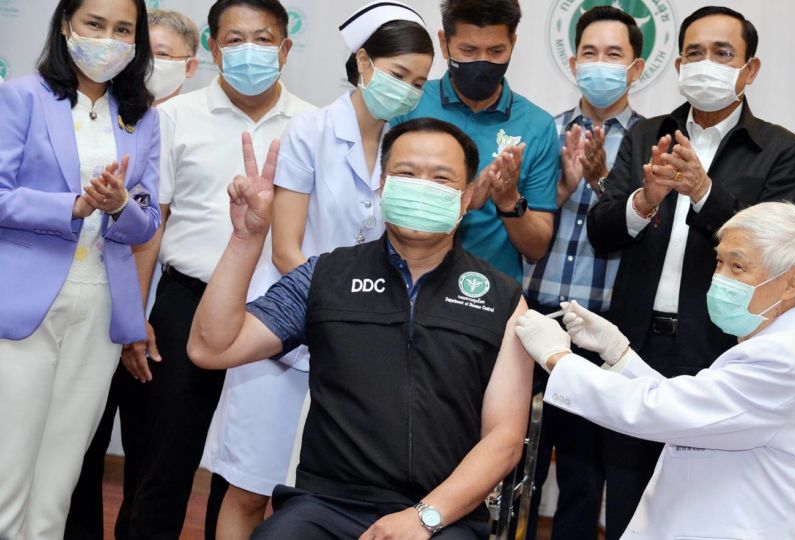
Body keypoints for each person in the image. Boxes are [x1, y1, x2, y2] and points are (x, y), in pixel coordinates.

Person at [185, 118, 532, 539]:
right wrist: (247, 238)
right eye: (406, 174)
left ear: (464, 200)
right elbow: (211, 348)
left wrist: (422, 518)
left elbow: (506, 437)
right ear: (383, 186)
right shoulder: (326, 275)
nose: (422, 186)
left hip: (444, 514)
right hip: (326, 505)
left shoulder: (503, 299)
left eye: (441, 178)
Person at [200, 3, 434, 537]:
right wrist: (341, 313)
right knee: (249, 485)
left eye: (419, 81)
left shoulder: (408, 147)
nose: (407, 89)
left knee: (323, 499)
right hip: (284, 332)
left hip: (359, 345)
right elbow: (285, 248)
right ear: (364, 62)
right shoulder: (308, 132)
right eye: (398, 74)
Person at [585, 6, 795, 536]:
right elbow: (602, 232)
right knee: (629, 504)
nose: (706, 63)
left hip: (719, 351)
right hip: (633, 345)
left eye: (722, 53)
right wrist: (646, 199)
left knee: (702, 508)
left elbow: (777, 253)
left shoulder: (782, 150)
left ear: (750, 70)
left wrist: (704, 192)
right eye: (694, 53)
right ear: (679, 64)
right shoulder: (645, 135)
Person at [515, 202, 795, 539]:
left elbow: (661, 411)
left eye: (738, 267)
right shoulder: (780, 345)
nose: (720, 279)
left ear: (791, 284)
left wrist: (558, 358)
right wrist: (619, 354)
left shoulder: (786, 359)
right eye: (719, 262)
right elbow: (694, 409)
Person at [118, 1, 315, 537]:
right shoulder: (173, 118)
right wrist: (135, 316)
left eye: (263, 39)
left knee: (244, 477)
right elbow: (150, 224)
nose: (248, 51)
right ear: (211, 47)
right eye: (234, 39)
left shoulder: (312, 125)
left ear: (286, 48)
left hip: (272, 315)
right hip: (187, 305)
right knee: (163, 462)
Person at [0, 0, 161, 537]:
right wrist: (72, 205)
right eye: (95, 24)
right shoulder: (21, 96)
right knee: (8, 473)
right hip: (23, 305)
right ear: (66, 24)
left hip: (100, 309)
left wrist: (118, 205)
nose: (107, 38)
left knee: (60, 479)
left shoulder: (142, 115)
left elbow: (146, 222)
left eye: (123, 29)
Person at [64, 9, 201, 539]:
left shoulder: (188, 123)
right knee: (79, 450)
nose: (152, 64)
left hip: (162, 320)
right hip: (94, 307)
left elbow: (157, 227)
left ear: (190, 67)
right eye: (150, 50)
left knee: (152, 460)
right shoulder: (100, 119)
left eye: (167, 56)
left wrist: (141, 317)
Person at [520, 5, 643, 538]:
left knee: (582, 471)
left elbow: (639, 226)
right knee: (514, 454)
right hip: (531, 313)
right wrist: (564, 187)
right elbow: (519, 218)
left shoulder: (649, 142)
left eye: (614, 55)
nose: (600, 64)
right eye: (590, 53)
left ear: (636, 68)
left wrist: (599, 184)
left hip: (600, 324)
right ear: (572, 62)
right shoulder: (543, 132)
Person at [394, 0, 558, 282]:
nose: (482, 62)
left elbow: (536, 248)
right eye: (468, 50)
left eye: (496, 51)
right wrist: (464, 202)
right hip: (405, 283)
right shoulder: (408, 105)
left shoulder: (538, 125)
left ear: (513, 43)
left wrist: (509, 202)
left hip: (489, 298)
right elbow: (381, 208)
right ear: (444, 43)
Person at [144, 9, 201, 105]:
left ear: (189, 67)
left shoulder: (195, 118)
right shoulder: (111, 114)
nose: (146, 61)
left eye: (162, 54)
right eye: (142, 51)